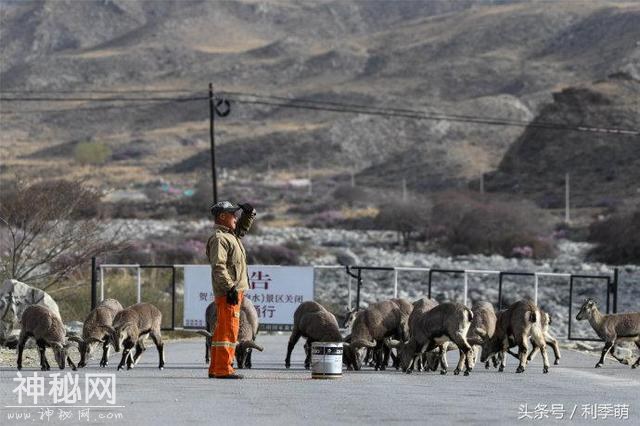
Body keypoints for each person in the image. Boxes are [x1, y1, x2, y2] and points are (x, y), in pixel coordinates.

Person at [206, 200, 256, 379]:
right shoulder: (220, 239)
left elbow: (241, 229)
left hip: (232, 291)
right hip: (229, 293)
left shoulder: (230, 236)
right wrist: (230, 288)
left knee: (223, 332)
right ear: (222, 216)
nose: (236, 217)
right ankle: (223, 369)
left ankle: (217, 368)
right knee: (228, 331)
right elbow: (218, 267)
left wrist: (249, 214)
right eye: (232, 214)